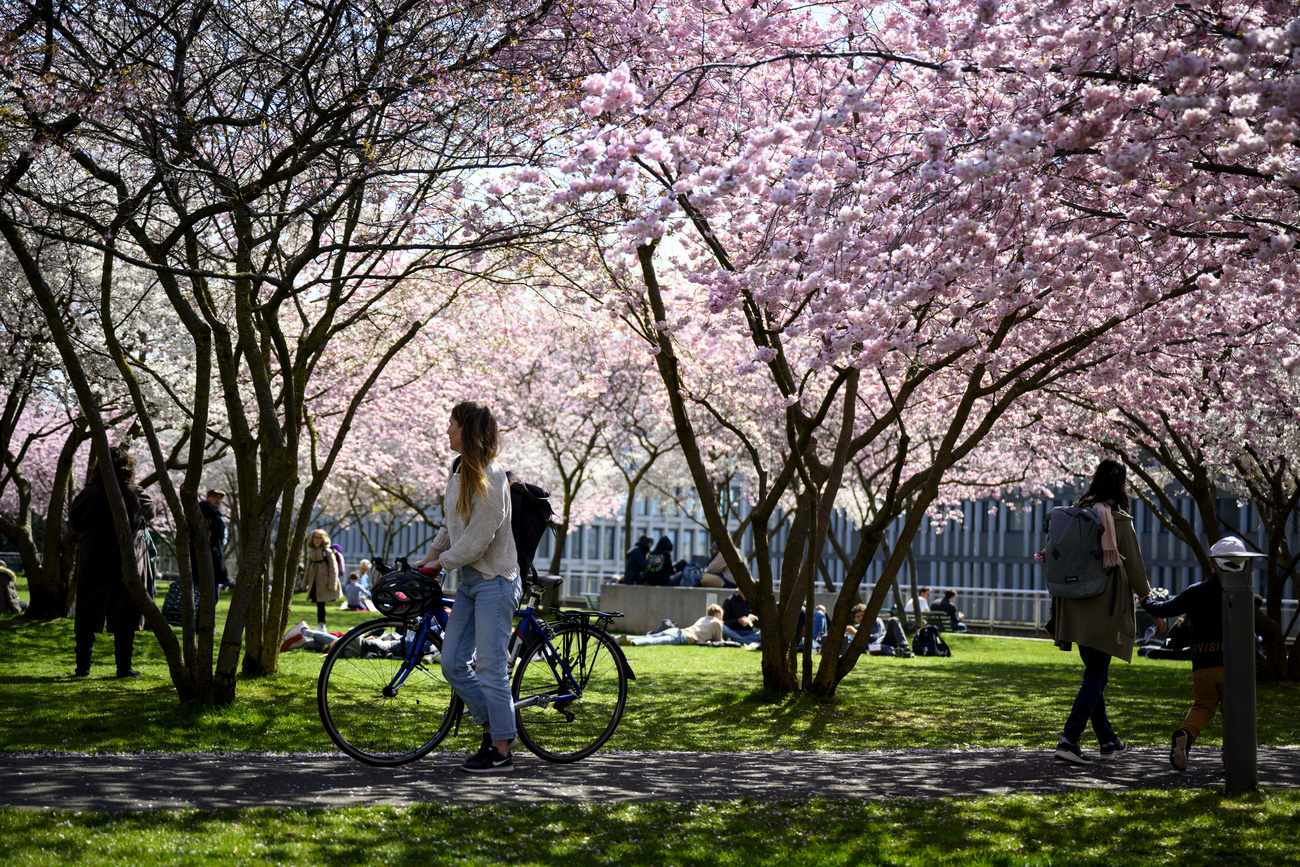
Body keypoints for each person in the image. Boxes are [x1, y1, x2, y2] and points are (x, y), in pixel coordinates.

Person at [414, 401, 521, 774]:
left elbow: (477, 540)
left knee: (491, 667)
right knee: (452, 663)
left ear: (468, 430)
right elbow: (450, 525)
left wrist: (439, 565)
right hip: (471, 583)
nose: (447, 429)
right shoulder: (459, 470)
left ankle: (501, 752)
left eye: (452, 424)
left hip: (496, 581)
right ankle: (494, 728)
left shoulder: (493, 476)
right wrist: (427, 561)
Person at [1048, 458, 1155, 765]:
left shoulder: (1074, 515)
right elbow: (1135, 570)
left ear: (1094, 481)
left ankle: (1108, 741)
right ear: (1121, 485)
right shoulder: (1118, 520)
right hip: (1103, 608)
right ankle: (1069, 740)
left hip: (1073, 606)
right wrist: (1152, 607)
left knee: (1095, 674)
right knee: (1096, 674)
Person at [1141, 535, 1264, 771]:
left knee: (1203, 706)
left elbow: (1165, 608)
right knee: (1232, 712)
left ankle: (1186, 735)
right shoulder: (1243, 594)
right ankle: (1231, 761)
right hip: (1233, 664)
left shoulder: (1196, 591)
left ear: (1211, 563)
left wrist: (1146, 600)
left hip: (1202, 663)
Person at [68, 446, 154, 678]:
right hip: (128, 558)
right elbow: (150, 513)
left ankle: (83, 667)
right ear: (128, 467)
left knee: (88, 608)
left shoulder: (89, 493)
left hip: (94, 556)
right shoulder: (135, 492)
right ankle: (123, 667)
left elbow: (76, 523)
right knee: (125, 609)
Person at [617, 604, 725, 646]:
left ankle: (616, 638)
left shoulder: (703, 618)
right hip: (683, 637)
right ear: (718, 615)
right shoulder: (716, 622)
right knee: (655, 641)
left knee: (650, 637)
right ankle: (631, 643)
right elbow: (718, 641)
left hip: (677, 631)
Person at [299, 529, 343, 629]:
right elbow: (308, 569)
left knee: (321, 604)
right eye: (315, 537)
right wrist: (304, 583)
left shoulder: (327, 551)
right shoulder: (312, 552)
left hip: (324, 582)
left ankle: (322, 625)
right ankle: (321, 624)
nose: (317, 540)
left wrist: (332, 584)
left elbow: (333, 568)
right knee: (319, 603)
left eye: (320, 538)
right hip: (315, 581)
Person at [197, 489, 230, 591]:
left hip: (215, 552)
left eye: (220, 498)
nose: (217, 500)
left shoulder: (217, 513)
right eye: (214, 497)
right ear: (208, 498)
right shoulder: (205, 510)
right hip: (208, 554)